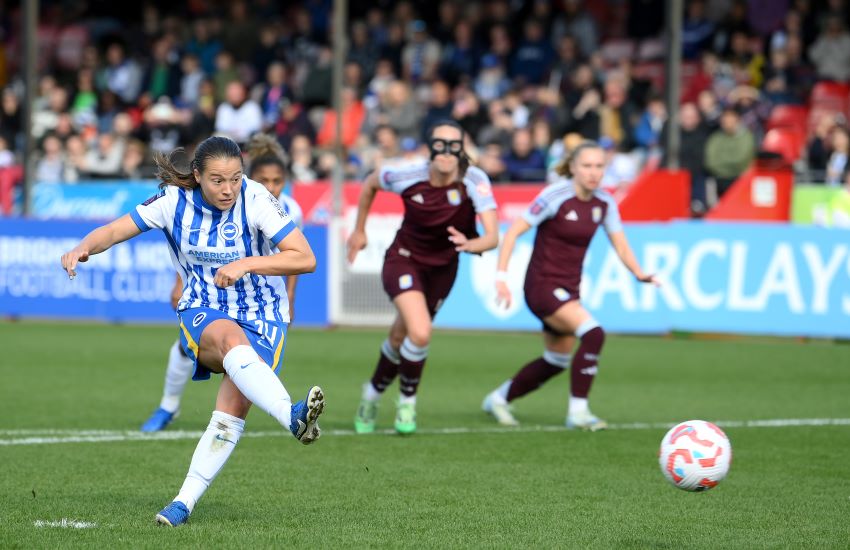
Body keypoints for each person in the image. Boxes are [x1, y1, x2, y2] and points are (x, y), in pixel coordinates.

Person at [60, 136, 324, 526]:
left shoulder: (256, 198)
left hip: (264, 313)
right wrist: (82, 247)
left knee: (230, 413)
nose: (228, 189)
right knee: (229, 338)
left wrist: (247, 264)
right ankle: (291, 416)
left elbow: (305, 258)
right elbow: (116, 230)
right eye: (218, 180)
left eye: (235, 179)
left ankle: (182, 503)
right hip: (204, 305)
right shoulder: (172, 201)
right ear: (197, 175)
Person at [482, 140, 658, 431]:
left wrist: (639, 273)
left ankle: (498, 399)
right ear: (573, 168)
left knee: (557, 359)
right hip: (542, 286)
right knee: (594, 333)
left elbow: (621, 244)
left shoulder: (605, 202)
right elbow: (513, 231)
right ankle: (578, 412)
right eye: (586, 166)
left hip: (569, 289)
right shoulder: (556, 195)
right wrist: (501, 278)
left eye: (599, 166)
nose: (593, 172)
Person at [141, 134, 305, 432]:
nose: (271, 187)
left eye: (278, 181)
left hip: (255, 302)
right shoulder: (226, 196)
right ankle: (167, 406)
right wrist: (180, 283)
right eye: (264, 179)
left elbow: (294, 258)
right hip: (210, 297)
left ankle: (280, 414)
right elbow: (192, 245)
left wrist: (290, 297)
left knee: (242, 362)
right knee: (185, 345)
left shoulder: (284, 209)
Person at [347, 120, 499, 435]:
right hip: (404, 260)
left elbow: (493, 237)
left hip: (444, 269)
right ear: (430, 148)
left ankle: (372, 395)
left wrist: (472, 244)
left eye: (453, 145)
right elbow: (370, 185)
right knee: (421, 332)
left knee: (401, 336)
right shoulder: (404, 174)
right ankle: (407, 403)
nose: (446, 152)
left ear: (462, 149)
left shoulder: (475, 180)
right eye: (439, 144)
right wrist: (359, 230)